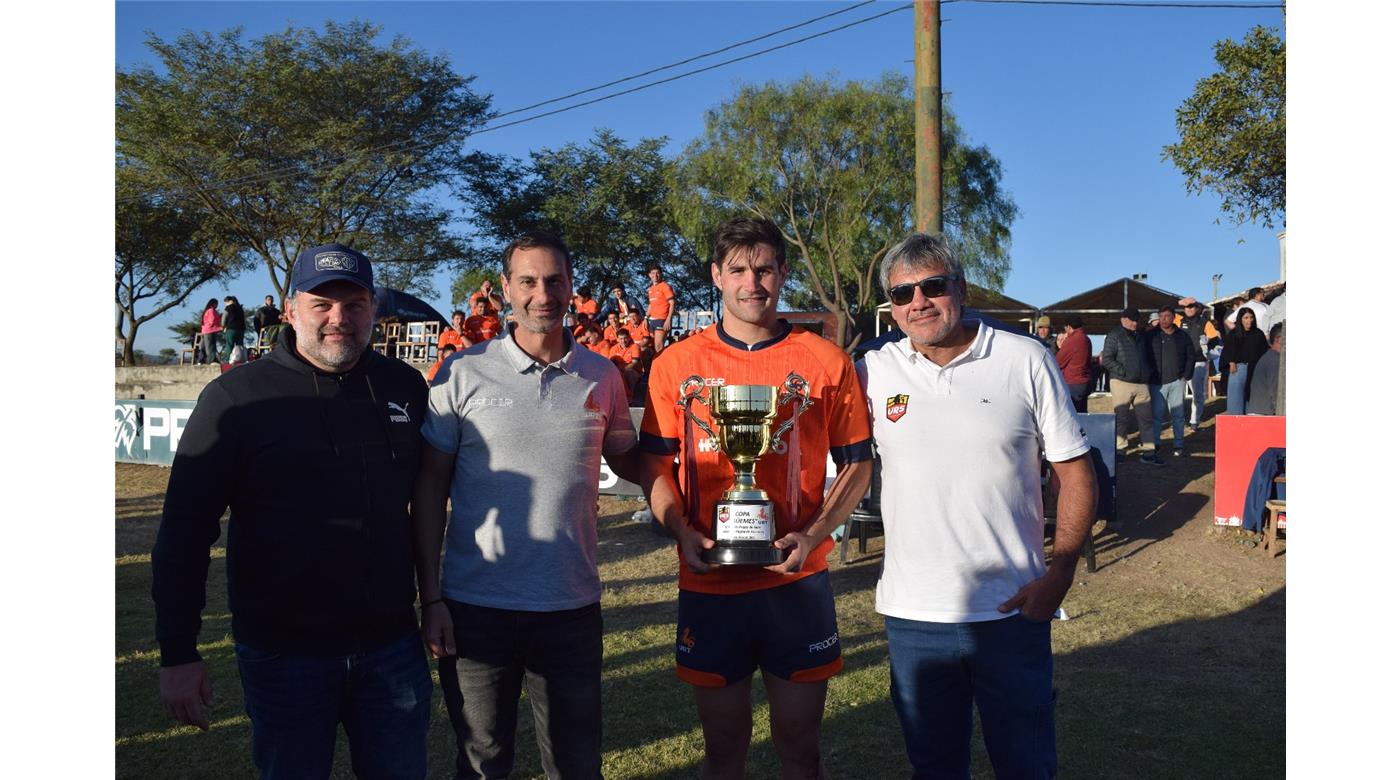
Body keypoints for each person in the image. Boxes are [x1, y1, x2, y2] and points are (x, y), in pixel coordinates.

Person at [152, 244, 432, 778]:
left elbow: (425, 504)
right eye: (321, 304)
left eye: (354, 304)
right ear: (290, 309)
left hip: (393, 646)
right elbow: (185, 531)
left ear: (373, 308)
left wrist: (435, 600)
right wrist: (177, 652)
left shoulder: (404, 386)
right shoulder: (236, 398)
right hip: (285, 655)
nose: (339, 319)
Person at [640, 216, 874, 779]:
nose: (753, 283)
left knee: (801, 747)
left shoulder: (825, 360)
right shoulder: (676, 364)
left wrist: (815, 535)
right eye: (739, 270)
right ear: (717, 276)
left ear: (783, 273)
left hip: (796, 583)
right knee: (723, 749)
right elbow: (654, 466)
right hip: (710, 582)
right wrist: (680, 530)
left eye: (765, 269)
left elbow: (858, 464)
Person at [858, 231, 1097, 779]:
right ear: (891, 309)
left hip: (1010, 609)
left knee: (1026, 765)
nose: (918, 302)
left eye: (932, 286)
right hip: (914, 615)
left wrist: (1060, 572)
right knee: (935, 768)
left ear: (961, 290)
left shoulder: (1025, 357)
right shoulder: (873, 371)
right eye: (902, 294)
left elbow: (1075, 473)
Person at [414, 230, 642, 779]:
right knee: (482, 760)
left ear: (571, 286)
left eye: (555, 280)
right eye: (528, 281)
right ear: (506, 291)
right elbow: (428, 490)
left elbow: (631, 462)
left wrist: (698, 483)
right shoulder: (461, 372)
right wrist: (432, 599)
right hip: (474, 610)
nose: (543, 294)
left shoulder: (602, 375)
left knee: (575, 765)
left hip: (570, 607)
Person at [1101, 308, 1161, 464]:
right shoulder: (1114, 335)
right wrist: (1124, 372)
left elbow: (1147, 357)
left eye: (1137, 321)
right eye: (1132, 320)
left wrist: (1147, 372)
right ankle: (1120, 451)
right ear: (1123, 320)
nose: (1135, 323)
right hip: (1121, 383)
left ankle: (1149, 452)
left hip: (1141, 383)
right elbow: (1107, 359)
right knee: (1121, 419)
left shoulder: (1140, 336)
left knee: (1146, 419)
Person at [1147, 304, 1195, 457]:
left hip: (1177, 381)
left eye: (1167, 316)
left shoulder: (1183, 336)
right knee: (1157, 416)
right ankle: (1156, 444)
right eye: (1160, 316)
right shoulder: (1151, 335)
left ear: (1174, 317)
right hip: (1157, 383)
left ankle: (1178, 445)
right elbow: (1144, 357)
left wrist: (1186, 376)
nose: (1163, 319)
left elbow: (1191, 356)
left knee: (1178, 415)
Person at [1176, 297, 1217, 431]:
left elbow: (1215, 341)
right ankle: (1178, 420)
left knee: (1197, 394)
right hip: (1180, 362)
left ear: (1197, 308)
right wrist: (1179, 302)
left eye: (1192, 306)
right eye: (1187, 307)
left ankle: (1194, 420)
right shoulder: (1179, 320)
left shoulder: (1205, 323)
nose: (1189, 309)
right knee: (1177, 394)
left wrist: (1206, 346)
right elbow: (1164, 310)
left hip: (1198, 362)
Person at [1222, 307, 1270, 415]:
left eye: (1251, 317)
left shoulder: (1258, 334)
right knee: (1235, 400)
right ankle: (1235, 426)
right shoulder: (1234, 333)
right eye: (1246, 318)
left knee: (1252, 400)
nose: (1249, 320)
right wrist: (1231, 362)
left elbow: (1264, 352)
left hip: (1255, 370)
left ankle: (1249, 426)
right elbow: (1228, 351)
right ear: (1240, 319)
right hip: (1238, 369)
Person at [1056, 315, 1092, 413]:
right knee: (1082, 412)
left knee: (1072, 413)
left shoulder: (1072, 341)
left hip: (1073, 382)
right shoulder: (1086, 339)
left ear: (1069, 327)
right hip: (1084, 381)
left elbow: (1059, 362)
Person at [1247, 323, 1284, 415]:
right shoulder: (1275, 360)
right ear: (1279, 339)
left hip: (1262, 412)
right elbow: (1276, 391)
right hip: (1264, 416)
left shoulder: (1271, 356)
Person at [646, 265, 676, 354]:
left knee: (659, 347)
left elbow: (672, 303)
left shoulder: (665, 286)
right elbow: (651, 305)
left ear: (661, 274)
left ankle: (663, 367)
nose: (655, 275)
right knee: (650, 347)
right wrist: (645, 317)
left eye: (658, 273)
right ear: (649, 275)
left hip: (662, 320)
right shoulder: (650, 289)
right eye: (653, 273)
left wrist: (668, 319)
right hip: (652, 320)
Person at [198, 298, 223, 364]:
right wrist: (219, 325)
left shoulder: (208, 310)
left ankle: (201, 360)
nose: (217, 305)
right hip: (210, 330)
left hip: (205, 330)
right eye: (216, 304)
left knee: (204, 346)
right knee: (210, 346)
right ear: (213, 304)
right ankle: (211, 360)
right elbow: (212, 321)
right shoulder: (211, 311)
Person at [222, 296, 247, 360]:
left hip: (231, 328)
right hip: (241, 329)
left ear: (229, 301)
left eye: (225, 303)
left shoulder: (228, 308)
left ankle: (228, 359)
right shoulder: (240, 308)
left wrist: (223, 326)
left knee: (229, 345)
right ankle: (241, 359)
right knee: (240, 345)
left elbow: (224, 318)